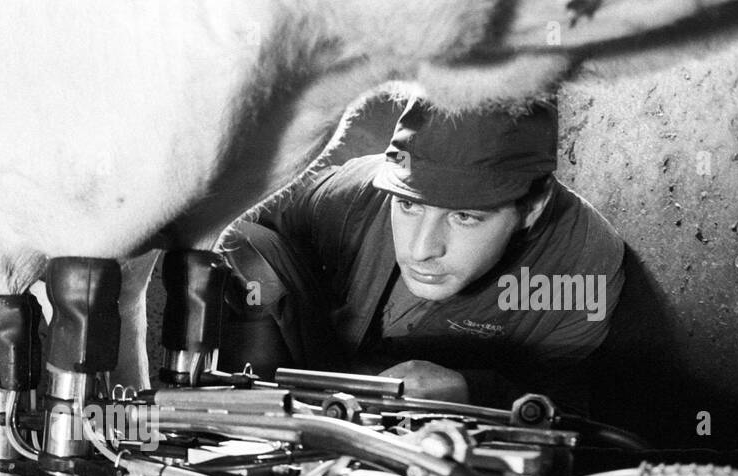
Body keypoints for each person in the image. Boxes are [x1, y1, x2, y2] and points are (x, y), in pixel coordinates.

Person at [220, 97, 625, 414]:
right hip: (316, 375)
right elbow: (236, 228)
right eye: (410, 206)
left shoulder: (579, 264)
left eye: (465, 217)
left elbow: (569, 414)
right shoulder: (353, 193)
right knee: (238, 240)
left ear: (532, 207)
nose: (420, 250)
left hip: (446, 430)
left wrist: (471, 390)